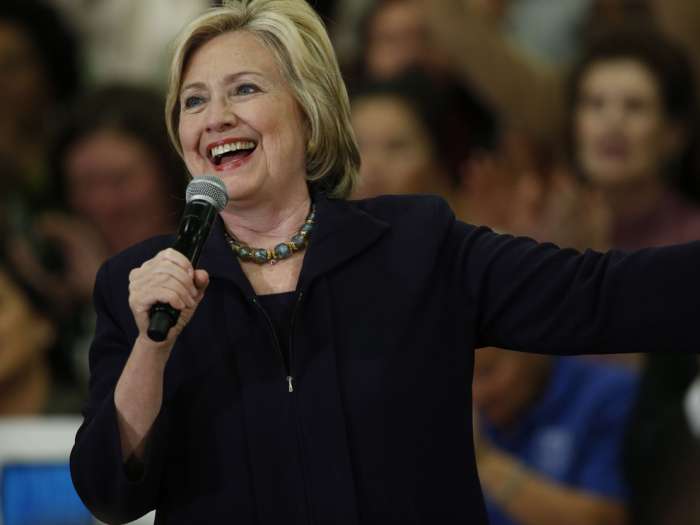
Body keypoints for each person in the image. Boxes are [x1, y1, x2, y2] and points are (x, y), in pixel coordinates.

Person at [69, 1, 700, 523]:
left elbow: (598, 295)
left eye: (245, 89)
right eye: (194, 101)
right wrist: (151, 350)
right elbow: (108, 494)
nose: (216, 118)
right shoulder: (139, 284)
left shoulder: (415, 245)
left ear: (309, 112)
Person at [473, 347, 636, 525]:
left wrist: (484, 460)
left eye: (487, 371)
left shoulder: (609, 396)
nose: (477, 394)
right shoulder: (491, 414)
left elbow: (604, 520)